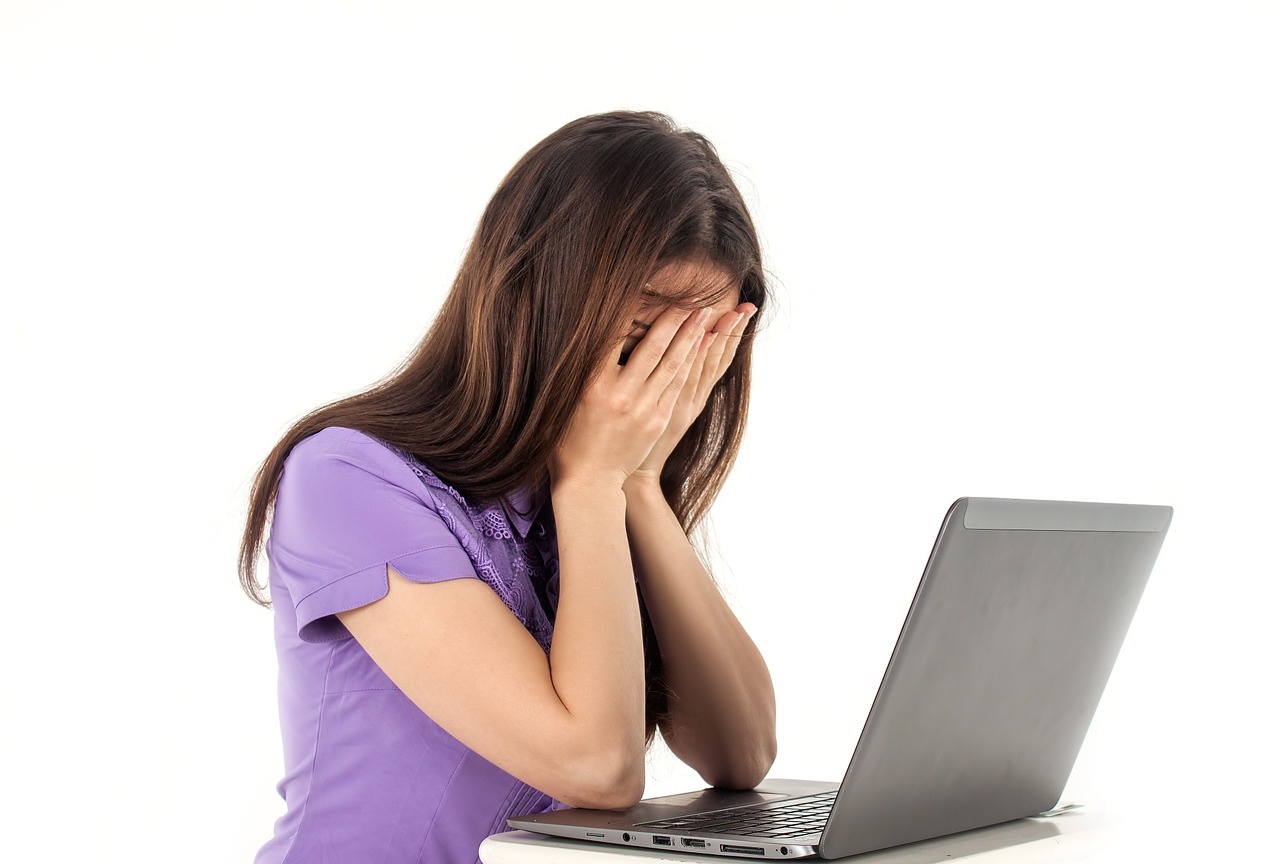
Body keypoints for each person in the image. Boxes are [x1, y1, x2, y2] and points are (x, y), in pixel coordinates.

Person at [239, 110, 777, 863]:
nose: (665, 376)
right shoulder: (347, 480)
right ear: (536, 297)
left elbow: (742, 752)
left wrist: (640, 484)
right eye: (641, 337)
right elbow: (595, 767)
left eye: (698, 345)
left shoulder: (583, 495)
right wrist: (594, 479)